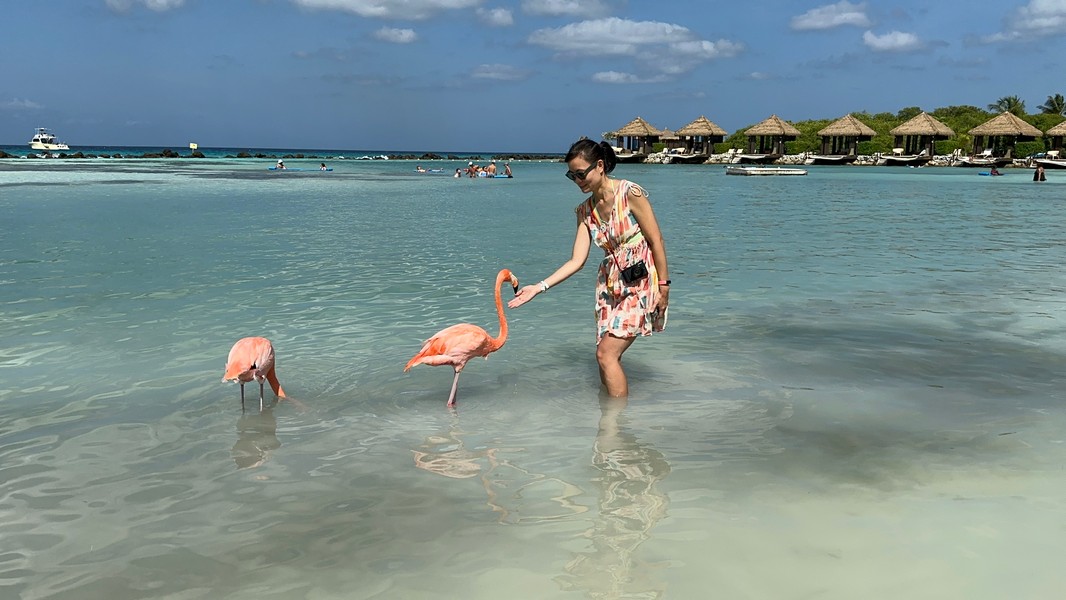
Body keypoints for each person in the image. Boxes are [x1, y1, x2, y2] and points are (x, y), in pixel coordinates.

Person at [508, 138, 670, 398]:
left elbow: (656, 240)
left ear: (600, 166)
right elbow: (577, 260)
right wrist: (539, 287)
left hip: (640, 281)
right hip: (610, 285)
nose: (577, 181)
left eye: (581, 174)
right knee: (604, 355)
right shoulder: (584, 211)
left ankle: (616, 420)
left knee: (606, 354)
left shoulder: (630, 193)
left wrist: (664, 286)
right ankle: (607, 415)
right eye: (571, 176)